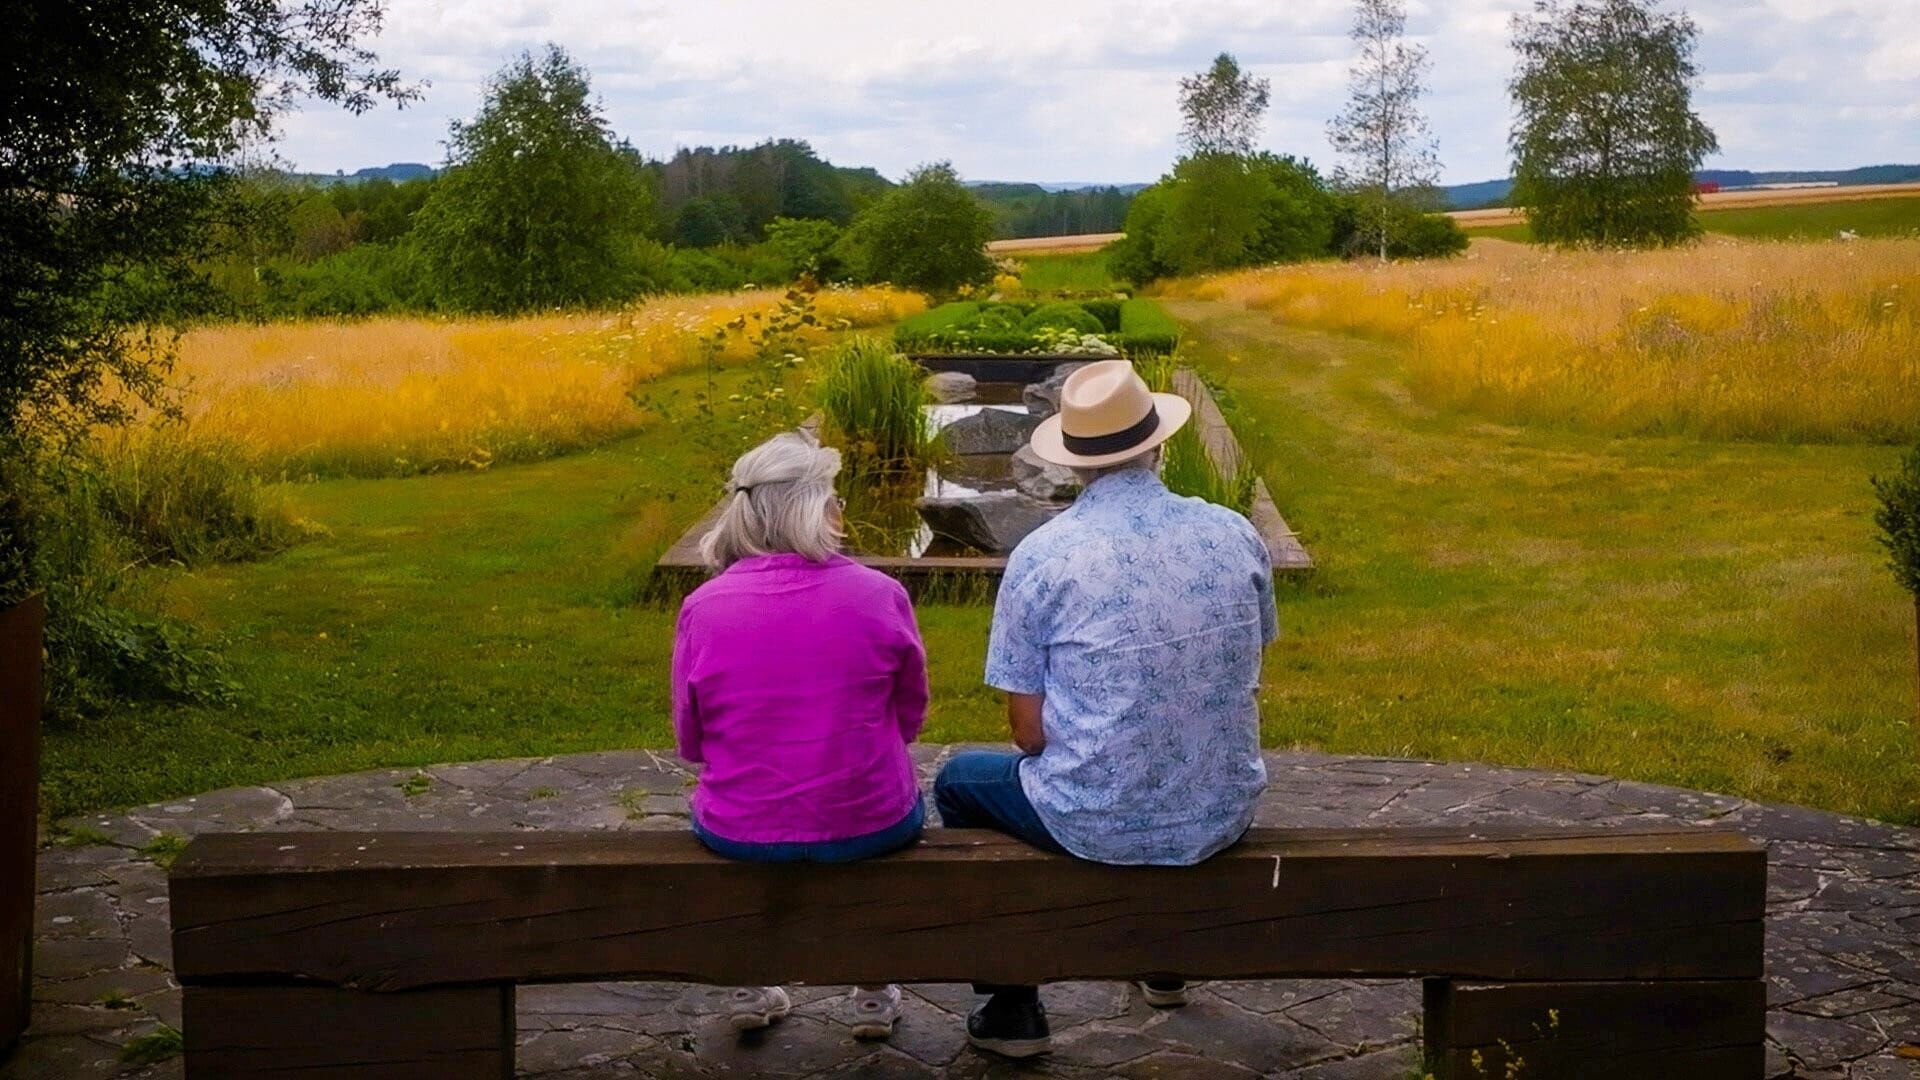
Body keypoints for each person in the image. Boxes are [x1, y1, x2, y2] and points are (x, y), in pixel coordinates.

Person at [933, 359, 1277, 1059]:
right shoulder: (1234, 532)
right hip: (1220, 804)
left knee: (958, 783)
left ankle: (1012, 1007)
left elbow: (1029, 737)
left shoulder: (1045, 555)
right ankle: (1164, 966)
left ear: (1075, 462)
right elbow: (1246, 661)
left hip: (1097, 816)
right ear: (1158, 444)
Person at [672, 431, 929, 1040]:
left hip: (742, 826)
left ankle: (752, 981)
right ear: (822, 509)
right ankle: (870, 989)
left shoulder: (704, 606)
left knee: (745, 820)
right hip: (872, 819)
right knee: (882, 829)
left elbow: (692, 739)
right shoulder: (879, 594)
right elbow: (912, 713)